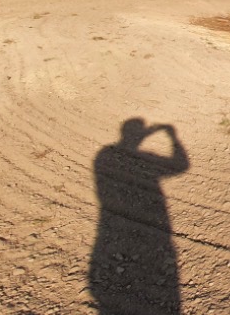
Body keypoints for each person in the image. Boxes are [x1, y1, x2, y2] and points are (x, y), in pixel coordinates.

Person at [89, 119, 189, 315]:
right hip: (154, 223)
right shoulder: (111, 154)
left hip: (111, 223)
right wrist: (173, 137)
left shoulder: (105, 154)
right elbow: (181, 165)